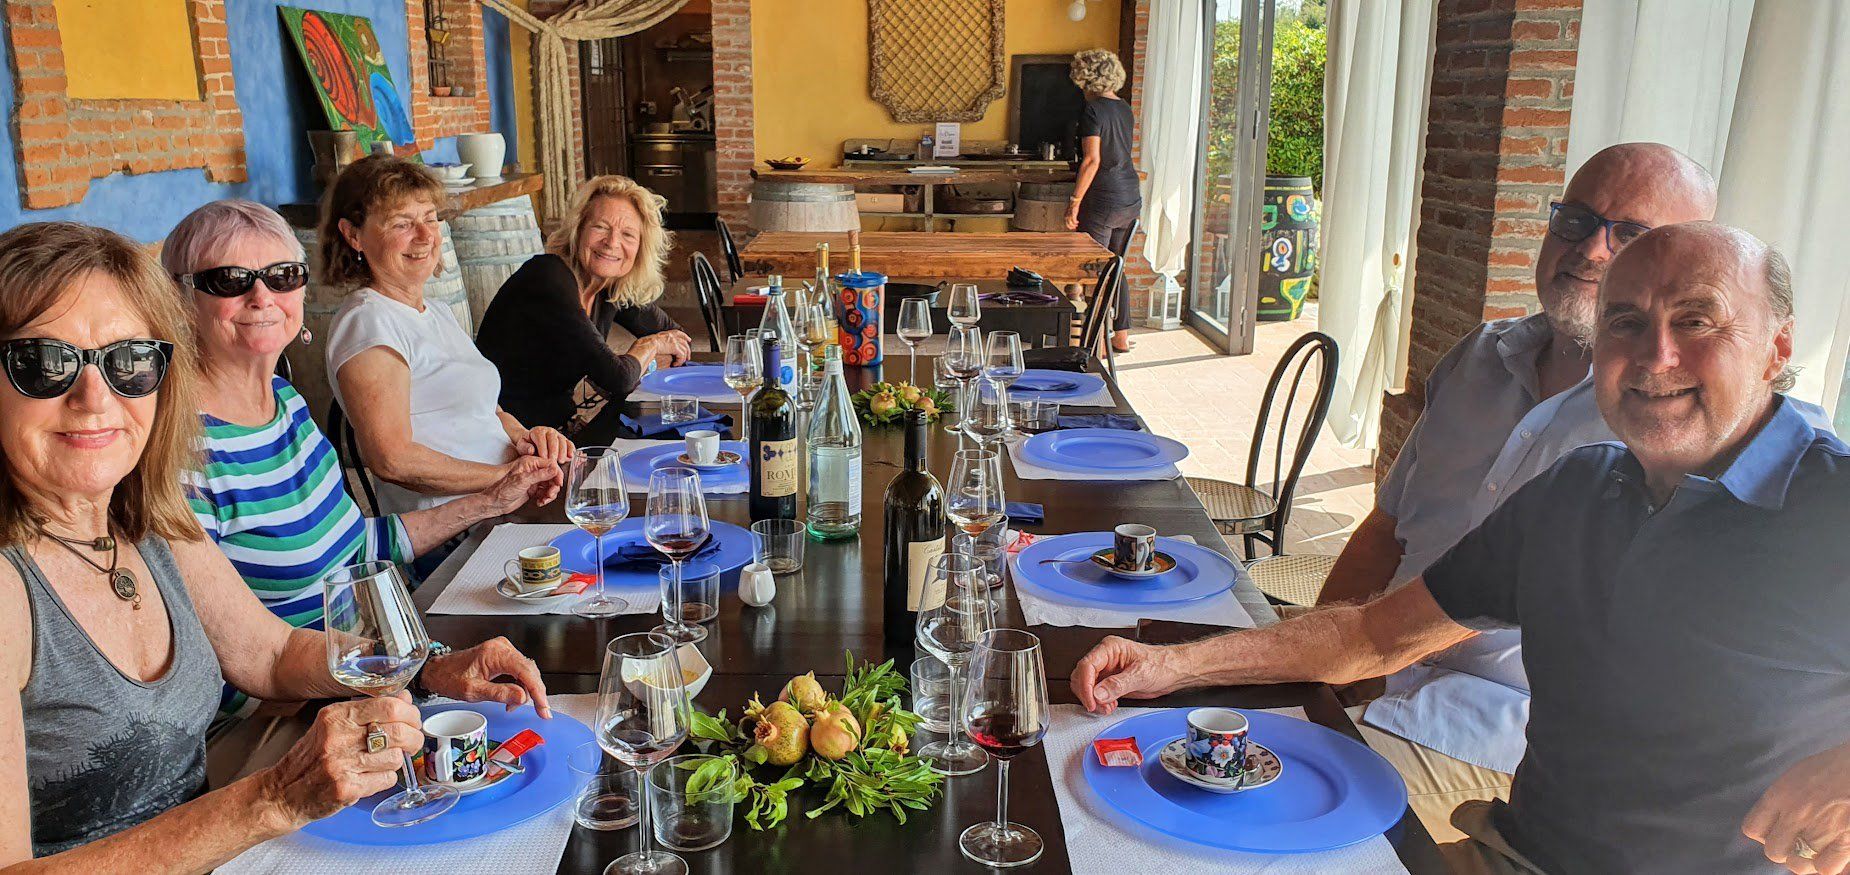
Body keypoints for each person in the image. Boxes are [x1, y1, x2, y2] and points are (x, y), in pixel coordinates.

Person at [1072, 222, 1850, 873]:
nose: (1655, 356)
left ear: (1779, 346)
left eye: (1698, 319)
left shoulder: (1828, 501)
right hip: (1516, 856)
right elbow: (1373, 634)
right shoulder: (1575, 490)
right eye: (1625, 322)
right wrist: (1175, 664)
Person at [0, 221, 553, 865]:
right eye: (44, 363)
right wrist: (275, 801)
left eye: (129, 360)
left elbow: (271, 651)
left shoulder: (141, 513)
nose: (95, 398)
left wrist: (429, 663)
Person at [1297, 143, 1720, 839]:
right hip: (1373, 667)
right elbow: (1386, 529)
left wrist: (1361, 658)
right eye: (1576, 220)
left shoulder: (1673, 426)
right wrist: (1320, 661)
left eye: (1632, 235)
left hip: (1500, 735)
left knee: (1294, 823)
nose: (1590, 249)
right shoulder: (1477, 359)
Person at [161, 200, 560, 717]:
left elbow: (359, 545)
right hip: (277, 717)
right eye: (229, 280)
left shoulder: (285, 403)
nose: (262, 296)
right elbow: (246, 658)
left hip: (363, 672)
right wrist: (415, 667)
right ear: (178, 297)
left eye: (282, 275)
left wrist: (491, 500)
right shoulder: (179, 452)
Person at [319, 154, 572, 526]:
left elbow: (488, 410)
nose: (424, 236)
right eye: (402, 223)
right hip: (454, 527)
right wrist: (508, 478)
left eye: (430, 218)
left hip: (505, 506)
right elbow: (393, 459)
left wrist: (528, 440)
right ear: (353, 234)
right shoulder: (367, 323)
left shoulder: (435, 311)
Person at [475, 175, 692, 445]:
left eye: (627, 235)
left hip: (555, 435)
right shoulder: (548, 276)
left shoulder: (610, 285)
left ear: (640, 248)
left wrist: (644, 362)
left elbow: (675, 337)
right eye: (601, 227)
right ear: (579, 230)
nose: (612, 243)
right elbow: (619, 377)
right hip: (505, 439)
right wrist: (648, 348)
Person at [1064, 47, 1141, 355]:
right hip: (1130, 196)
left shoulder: (1093, 110)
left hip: (1105, 198)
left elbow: (1091, 161)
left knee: (1094, 269)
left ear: (1086, 77)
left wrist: (1075, 200)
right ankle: (1120, 336)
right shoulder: (1123, 107)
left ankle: (1099, 342)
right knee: (1115, 266)